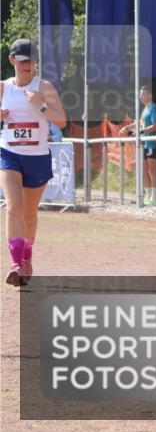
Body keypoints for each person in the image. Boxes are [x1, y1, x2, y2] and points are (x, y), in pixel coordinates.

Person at [1, 39, 67, 286]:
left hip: (37, 157)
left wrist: (41, 106)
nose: (28, 65)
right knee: (13, 206)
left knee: (29, 214)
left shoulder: (44, 87)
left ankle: (27, 257)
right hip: (9, 153)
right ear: (12, 60)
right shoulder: (3, 88)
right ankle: (16, 264)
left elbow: (61, 121)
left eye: (31, 61)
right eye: (22, 61)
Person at [119, 85, 156, 203]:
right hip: (143, 143)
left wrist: (140, 131)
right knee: (143, 169)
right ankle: (148, 196)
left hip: (151, 143)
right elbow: (139, 123)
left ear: (149, 95)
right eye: (140, 95)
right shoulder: (145, 109)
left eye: (142, 95)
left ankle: (155, 197)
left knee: (152, 170)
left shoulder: (153, 108)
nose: (140, 97)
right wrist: (127, 128)